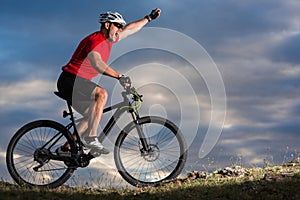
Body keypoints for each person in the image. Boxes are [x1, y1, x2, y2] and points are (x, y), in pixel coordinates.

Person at [56, 9, 161, 156]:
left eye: (120, 27)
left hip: (79, 82)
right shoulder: (96, 40)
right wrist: (119, 76)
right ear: (107, 25)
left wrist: (149, 18)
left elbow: (130, 29)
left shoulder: (110, 39)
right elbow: (97, 63)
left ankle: (66, 148)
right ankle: (92, 138)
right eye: (117, 26)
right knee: (102, 94)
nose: (120, 30)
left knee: (91, 115)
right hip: (70, 80)